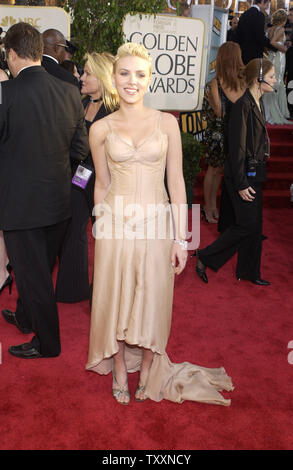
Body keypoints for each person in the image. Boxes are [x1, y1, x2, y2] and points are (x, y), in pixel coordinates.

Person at [86, 42, 233, 406]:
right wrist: (101, 229)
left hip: (157, 225)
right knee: (116, 300)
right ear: (114, 77)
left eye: (140, 74)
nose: (131, 81)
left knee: (153, 299)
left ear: (149, 79)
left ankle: (149, 369)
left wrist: (183, 239)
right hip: (116, 226)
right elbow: (101, 184)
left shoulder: (167, 123)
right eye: (124, 73)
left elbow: (178, 182)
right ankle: (119, 369)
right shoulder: (100, 129)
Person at [0, 22, 89, 359]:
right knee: (36, 270)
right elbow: (80, 149)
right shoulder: (69, 92)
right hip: (59, 204)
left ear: (11, 53)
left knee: (32, 275)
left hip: (20, 207)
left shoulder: (4, 93)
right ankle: (25, 317)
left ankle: (48, 344)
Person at [194, 58, 276, 287]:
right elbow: (237, 147)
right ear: (258, 79)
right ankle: (205, 256)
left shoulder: (259, 102)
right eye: (271, 77)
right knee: (246, 225)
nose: (275, 80)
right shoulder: (243, 105)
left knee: (255, 225)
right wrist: (240, 183)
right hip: (241, 175)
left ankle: (249, 271)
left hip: (255, 172)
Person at [55, 52, 119, 303]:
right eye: (83, 72)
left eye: (88, 73)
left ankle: (104, 294)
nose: (81, 77)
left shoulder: (114, 109)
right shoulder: (81, 103)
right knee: (74, 230)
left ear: (102, 77)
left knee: (104, 237)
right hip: (79, 179)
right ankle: (74, 289)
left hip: (105, 183)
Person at [202, 42, 246, 224]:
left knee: (217, 171)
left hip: (227, 132)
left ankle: (212, 206)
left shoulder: (220, 82)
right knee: (215, 170)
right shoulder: (220, 83)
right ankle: (209, 206)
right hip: (220, 133)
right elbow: (220, 112)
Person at [262, 9, 292, 124]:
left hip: (270, 57)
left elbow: (267, 44)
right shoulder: (280, 29)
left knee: (270, 83)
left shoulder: (270, 29)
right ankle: (276, 112)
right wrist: (284, 49)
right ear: (283, 20)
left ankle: (268, 111)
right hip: (278, 58)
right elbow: (273, 43)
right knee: (277, 82)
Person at [236, 0, 277, 65]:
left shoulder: (244, 14)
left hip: (242, 53)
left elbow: (238, 34)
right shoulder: (259, 15)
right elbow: (260, 37)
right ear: (262, 1)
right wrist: (275, 47)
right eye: (268, 3)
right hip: (254, 54)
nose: (268, 6)